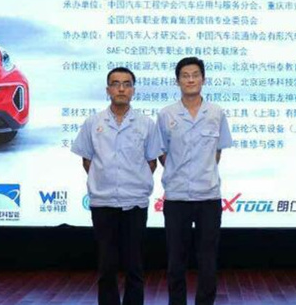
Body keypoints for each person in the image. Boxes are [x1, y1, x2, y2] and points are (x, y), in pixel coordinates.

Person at [71, 67, 162, 305]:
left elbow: (151, 161)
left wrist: (134, 181)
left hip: (135, 202)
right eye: (115, 83)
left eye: (126, 84)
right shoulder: (93, 122)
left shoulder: (146, 124)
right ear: (107, 89)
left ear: (133, 90)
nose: (121, 89)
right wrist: (105, 180)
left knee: (135, 265)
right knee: (106, 266)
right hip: (103, 202)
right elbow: (87, 160)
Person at [154, 57, 233, 305]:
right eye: (185, 75)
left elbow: (217, 152)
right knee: (176, 260)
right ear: (177, 81)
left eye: (195, 75)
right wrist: (177, 171)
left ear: (203, 79)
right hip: (176, 196)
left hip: (208, 195)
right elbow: (162, 152)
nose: (190, 79)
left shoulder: (216, 113)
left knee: (207, 259)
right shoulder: (166, 114)